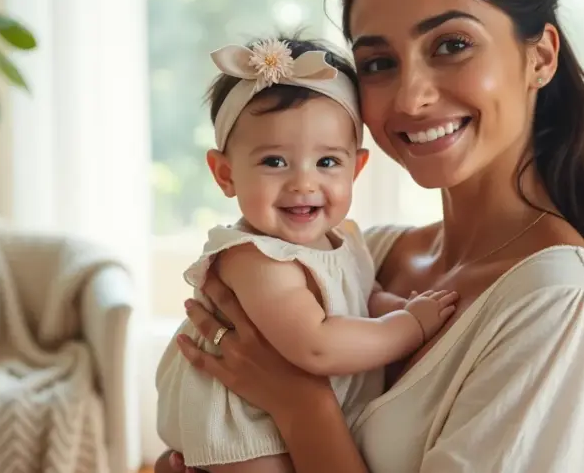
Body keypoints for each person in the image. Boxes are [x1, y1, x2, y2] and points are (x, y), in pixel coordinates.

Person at [157, 0, 584, 470]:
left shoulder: (561, 298)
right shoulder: (368, 253)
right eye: (377, 63)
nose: (410, 97)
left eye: (451, 45)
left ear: (539, 56)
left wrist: (299, 402)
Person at [154, 36, 459, 473]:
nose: (303, 183)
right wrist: (409, 326)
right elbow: (316, 347)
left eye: (327, 162)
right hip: (243, 434)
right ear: (225, 174)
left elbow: (359, 296)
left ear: (356, 168)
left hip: (281, 420)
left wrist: (395, 305)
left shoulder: (346, 239)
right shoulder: (254, 258)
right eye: (275, 162)